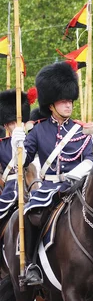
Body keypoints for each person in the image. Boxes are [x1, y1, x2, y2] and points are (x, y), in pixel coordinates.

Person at [16, 60, 93, 285]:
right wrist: (18, 144)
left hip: (77, 187)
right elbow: (22, 161)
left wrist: (76, 176)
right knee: (31, 213)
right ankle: (31, 265)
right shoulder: (39, 129)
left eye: (70, 101)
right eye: (63, 101)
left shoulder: (80, 130)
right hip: (48, 188)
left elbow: (90, 158)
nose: (68, 105)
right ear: (51, 105)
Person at [0, 88, 33, 222]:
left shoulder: (32, 140)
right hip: (10, 192)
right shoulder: (1, 145)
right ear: (6, 127)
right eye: (12, 123)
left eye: (19, 122)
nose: (16, 126)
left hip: (32, 188)